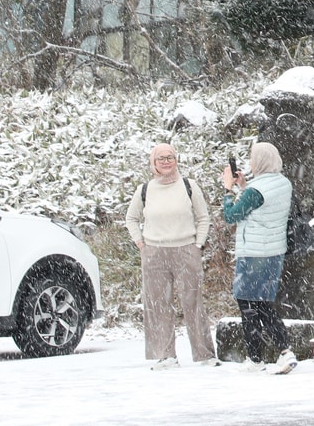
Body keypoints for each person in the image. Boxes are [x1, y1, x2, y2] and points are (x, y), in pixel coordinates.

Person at [124, 142, 218, 369]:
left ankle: (204, 354)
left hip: (186, 249)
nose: (166, 162)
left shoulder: (189, 186)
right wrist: (140, 242)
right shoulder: (144, 189)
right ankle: (166, 355)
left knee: (193, 302)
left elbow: (203, 217)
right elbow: (131, 218)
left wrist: (198, 244)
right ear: (153, 163)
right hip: (154, 252)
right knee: (158, 304)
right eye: (161, 159)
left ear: (176, 159)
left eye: (170, 157)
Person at [220, 141, 296, 374]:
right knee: (261, 302)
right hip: (273, 252)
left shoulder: (256, 190)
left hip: (253, 252)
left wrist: (228, 190)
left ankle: (275, 353)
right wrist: (244, 186)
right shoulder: (282, 183)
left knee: (250, 304)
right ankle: (262, 355)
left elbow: (232, 215)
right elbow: (261, 206)